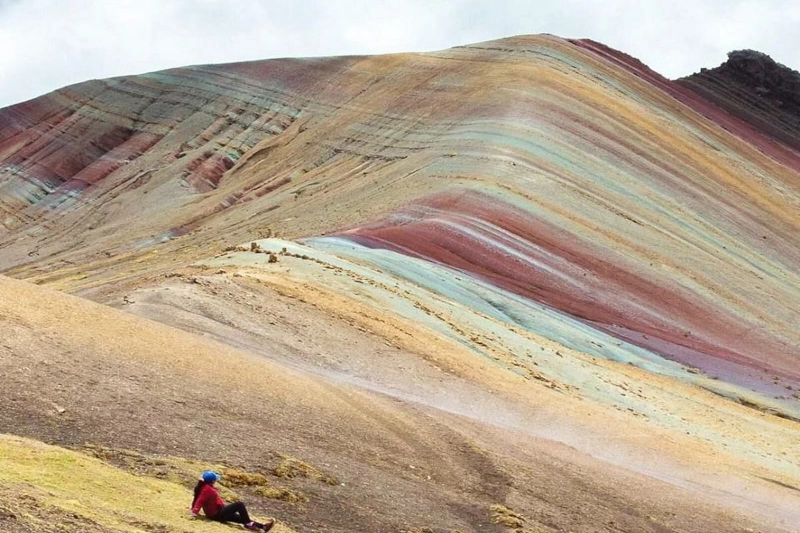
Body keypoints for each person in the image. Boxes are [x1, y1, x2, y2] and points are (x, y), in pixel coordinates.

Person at [190, 470, 275, 531]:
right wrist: (194, 512)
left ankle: (263, 527)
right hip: (217, 514)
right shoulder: (208, 490)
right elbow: (200, 500)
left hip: (218, 511)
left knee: (243, 518)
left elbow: (196, 498)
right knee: (239, 504)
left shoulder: (202, 486)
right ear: (212, 481)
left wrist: (193, 509)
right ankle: (248, 524)